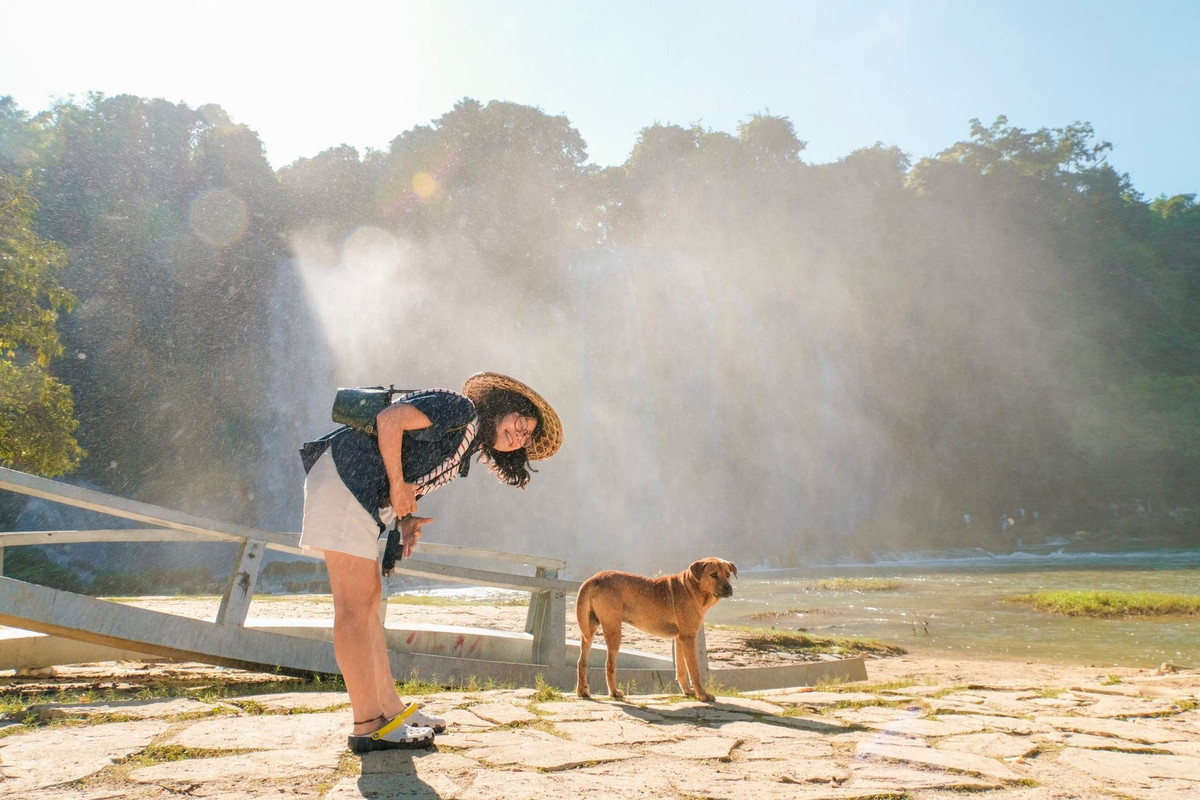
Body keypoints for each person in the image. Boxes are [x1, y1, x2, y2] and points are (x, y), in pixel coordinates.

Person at [297, 372, 563, 753]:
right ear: (503, 408)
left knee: (368, 604)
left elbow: (404, 462)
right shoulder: (459, 407)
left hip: (355, 490)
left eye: (527, 435)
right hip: (345, 481)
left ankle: (390, 713)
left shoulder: (466, 443)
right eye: (520, 423)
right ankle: (367, 725)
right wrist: (398, 486)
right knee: (355, 609)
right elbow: (390, 421)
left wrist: (404, 519)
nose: (519, 435)